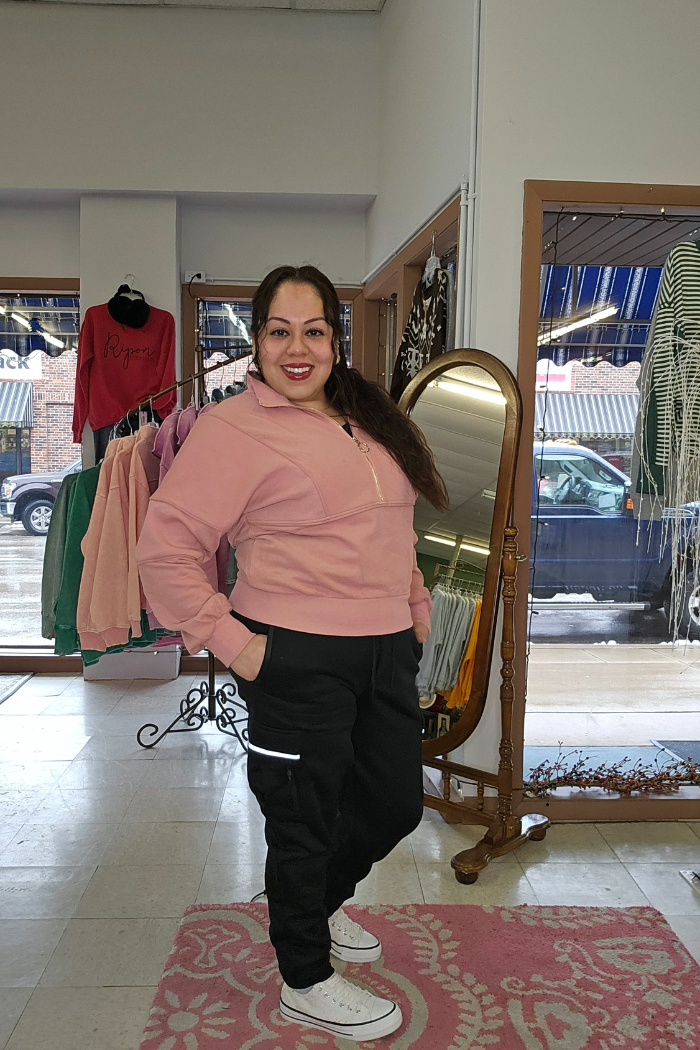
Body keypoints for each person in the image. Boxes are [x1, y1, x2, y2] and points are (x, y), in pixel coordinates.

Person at [136, 264, 448, 1043]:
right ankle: (304, 978)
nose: (297, 348)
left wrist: (412, 610)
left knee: (394, 803)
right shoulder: (231, 429)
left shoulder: (366, 421)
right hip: (294, 654)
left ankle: (311, 904)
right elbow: (163, 552)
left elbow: (391, 530)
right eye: (280, 331)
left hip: (383, 650)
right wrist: (240, 649)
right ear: (257, 341)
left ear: (336, 342)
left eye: (314, 331)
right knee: (302, 818)